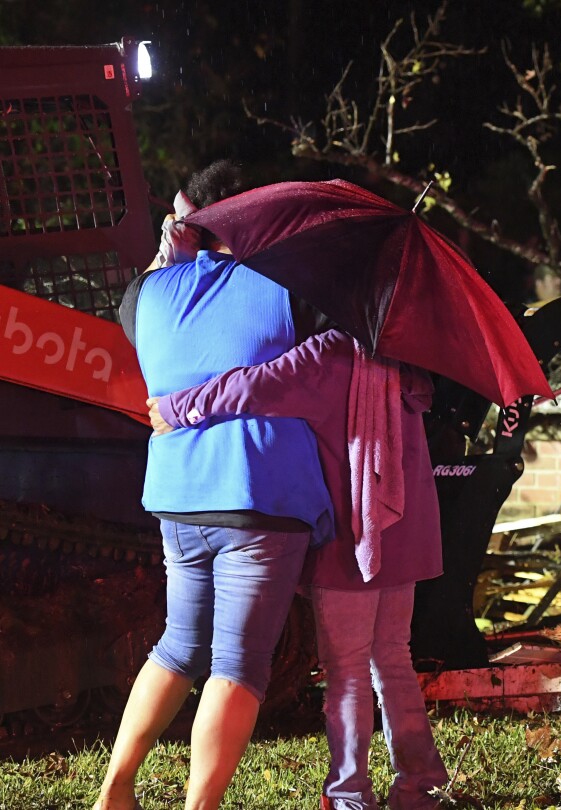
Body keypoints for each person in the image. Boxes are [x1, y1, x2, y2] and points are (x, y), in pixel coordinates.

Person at [95, 161, 334, 810]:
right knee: (238, 665)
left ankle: (115, 790)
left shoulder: (150, 296)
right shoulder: (288, 285)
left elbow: (131, 305)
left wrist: (168, 249)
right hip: (258, 494)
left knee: (179, 644)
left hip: (176, 493)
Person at [149, 329, 449, 810]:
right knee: (393, 658)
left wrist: (175, 407)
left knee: (347, 671)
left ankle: (351, 796)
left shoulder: (329, 353)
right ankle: (421, 785)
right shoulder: (403, 355)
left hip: (356, 532)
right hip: (404, 530)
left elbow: (251, 387)